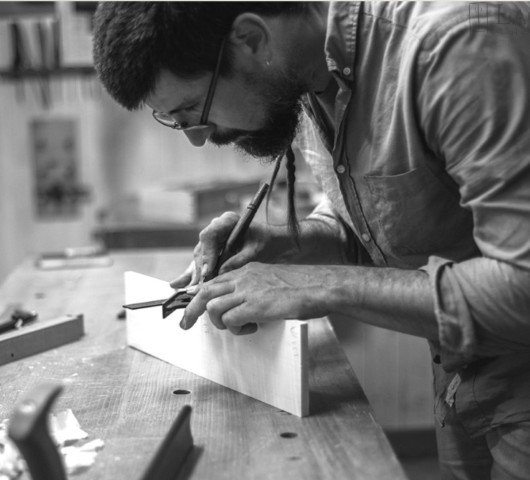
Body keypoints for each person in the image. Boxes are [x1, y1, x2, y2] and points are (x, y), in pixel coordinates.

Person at [93, 2, 530, 478]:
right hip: (465, 372)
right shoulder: (307, 74)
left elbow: (521, 285)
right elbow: (371, 224)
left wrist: (318, 285)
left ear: (251, 39)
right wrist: (285, 244)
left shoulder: (456, 46)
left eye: (191, 110)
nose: (198, 139)